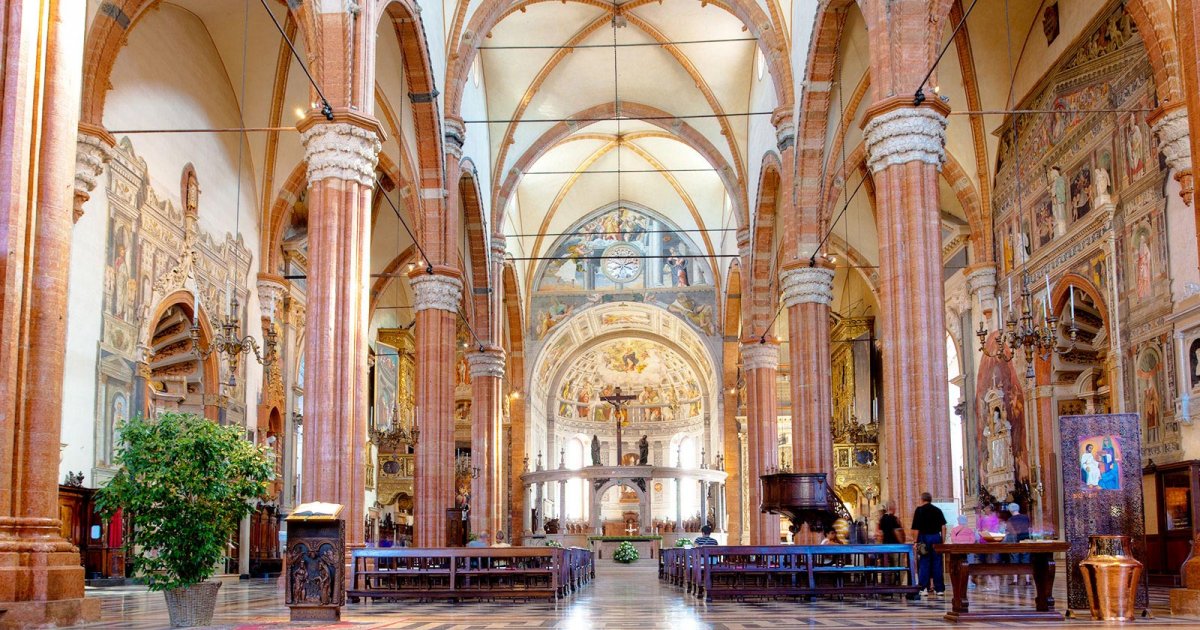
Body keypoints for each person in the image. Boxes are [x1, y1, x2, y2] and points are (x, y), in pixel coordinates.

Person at [911, 492, 947, 597]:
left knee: (924, 562)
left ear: (922, 499)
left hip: (923, 538)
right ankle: (939, 589)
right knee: (937, 563)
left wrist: (915, 542)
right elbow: (943, 527)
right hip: (936, 537)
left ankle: (923, 588)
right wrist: (942, 541)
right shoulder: (937, 510)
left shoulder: (919, 510)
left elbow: (916, 528)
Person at [1006, 502, 1032, 585]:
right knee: (1026, 558)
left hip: (1015, 539)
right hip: (1026, 539)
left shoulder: (1010, 520)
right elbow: (1029, 527)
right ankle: (1028, 580)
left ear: (1010, 510)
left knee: (1014, 558)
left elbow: (1009, 531)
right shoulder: (1025, 517)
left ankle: (1015, 580)